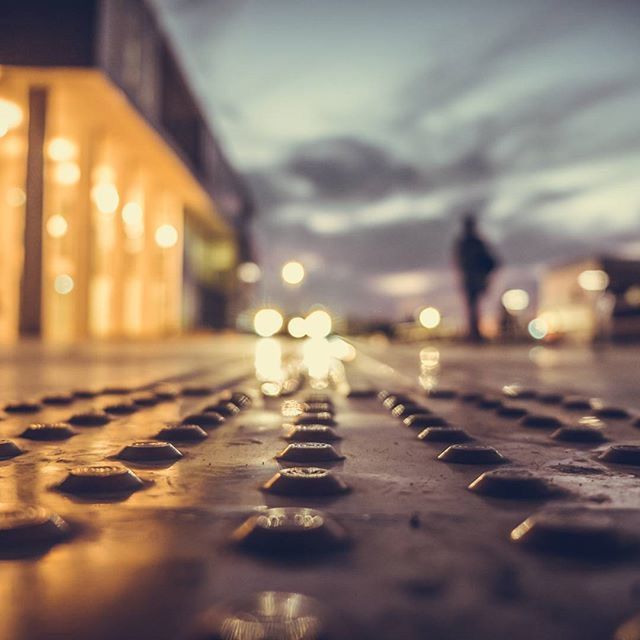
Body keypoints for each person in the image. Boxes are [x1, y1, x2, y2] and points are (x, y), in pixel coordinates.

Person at [454, 214, 500, 342]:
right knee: (473, 306)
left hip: (474, 279)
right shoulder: (468, 243)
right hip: (471, 279)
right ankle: (474, 333)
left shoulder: (473, 243)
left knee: (474, 306)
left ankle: (475, 334)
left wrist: (482, 274)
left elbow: (492, 261)